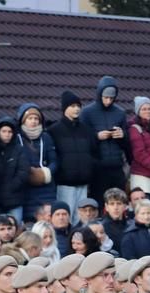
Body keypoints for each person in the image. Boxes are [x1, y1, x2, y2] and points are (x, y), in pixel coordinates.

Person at [80, 76, 132, 201]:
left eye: (111, 98)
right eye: (106, 98)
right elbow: (82, 138)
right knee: (99, 202)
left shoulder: (120, 112)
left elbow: (127, 142)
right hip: (97, 167)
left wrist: (122, 135)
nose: (108, 101)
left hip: (116, 166)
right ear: (99, 95)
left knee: (119, 201)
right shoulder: (87, 112)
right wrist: (97, 136)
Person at [49, 91, 98, 223]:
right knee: (65, 218)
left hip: (83, 183)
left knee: (81, 220)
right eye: (72, 106)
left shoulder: (86, 129)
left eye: (78, 106)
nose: (76, 109)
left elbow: (93, 152)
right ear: (65, 108)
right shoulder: (54, 130)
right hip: (65, 184)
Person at [16, 103, 59, 223]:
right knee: (29, 222)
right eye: (30, 118)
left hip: (46, 188)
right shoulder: (17, 138)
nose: (33, 121)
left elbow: (54, 160)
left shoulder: (46, 137)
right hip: (26, 188)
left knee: (48, 220)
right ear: (23, 120)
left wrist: (45, 173)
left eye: (36, 118)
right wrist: (28, 173)